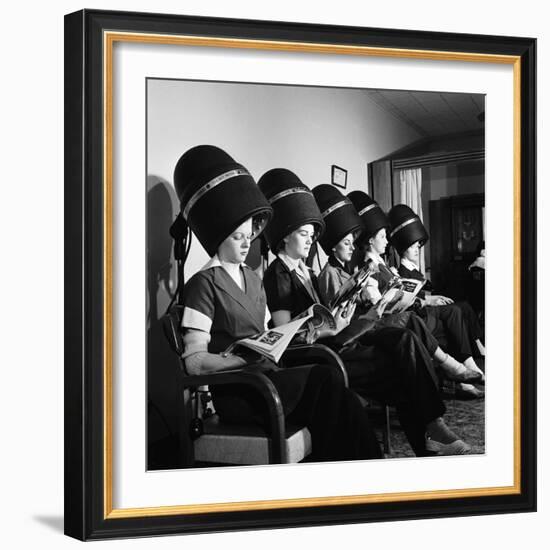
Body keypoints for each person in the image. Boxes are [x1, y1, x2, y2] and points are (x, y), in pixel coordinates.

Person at [174, 145, 381, 463]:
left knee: (344, 398)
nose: (246, 244)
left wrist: (292, 334)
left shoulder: (254, 280)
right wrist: (241, 361)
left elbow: (270, 333)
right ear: (218, 235)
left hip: (270, 376)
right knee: (326, 383)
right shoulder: (202, 284)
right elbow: (195, 363)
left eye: (249, 236)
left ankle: (362, 480)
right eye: (236, 238)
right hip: (241, 390)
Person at [259, 171, 472, 456]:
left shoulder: (306, 272)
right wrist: (325, 326)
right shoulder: (277, 274)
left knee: (404, 344)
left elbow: (325, 313)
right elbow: (285, 333)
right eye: (303, 234)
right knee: (403, 364)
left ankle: (431, 435)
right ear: (285, 237)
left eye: (312, 235)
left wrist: (343, 308)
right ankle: (431, 436)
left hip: (336, 339)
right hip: (320, 353)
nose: (310, 241)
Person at [388, 204, 486, 386]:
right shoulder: (400, 271)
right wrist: (429, 299)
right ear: (403, 249)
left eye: (418, 246)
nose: (417, 250)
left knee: (462, 306)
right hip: (419, 312)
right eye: (412, 247)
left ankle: (476, 349)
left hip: (426, 307)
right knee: (456, 310)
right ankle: (470, 362)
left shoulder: (415, 269)